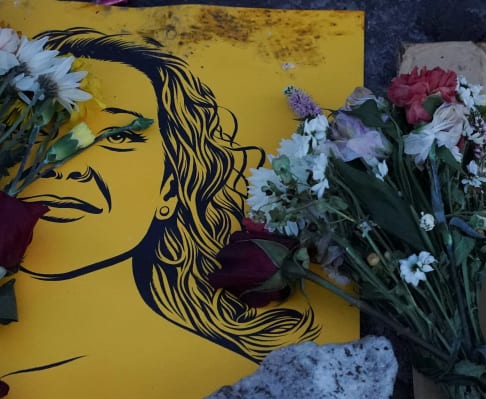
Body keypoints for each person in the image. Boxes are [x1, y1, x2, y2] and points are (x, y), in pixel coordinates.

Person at [21, 27, 318, 362]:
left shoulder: (207, 369)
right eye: (44, 132)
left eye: (120, 136)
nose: (64, 164)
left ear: (177, 182)